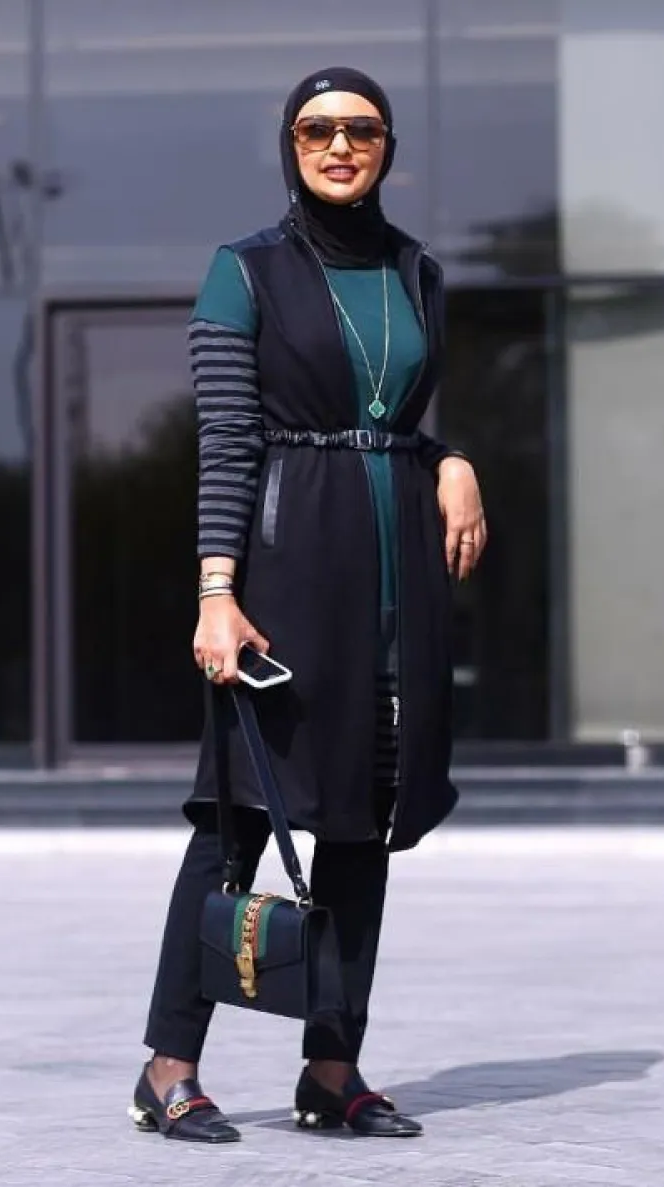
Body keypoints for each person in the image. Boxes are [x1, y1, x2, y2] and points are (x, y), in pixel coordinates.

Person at [130, 67, 487, 1144]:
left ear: (388, 148)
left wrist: (452, 458)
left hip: (393, 584)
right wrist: (217, 591)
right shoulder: (244, 271)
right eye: (316, 129)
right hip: (285, 580)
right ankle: (168, 1066)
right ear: (290, 146)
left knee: (364, 824)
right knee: (238, 820)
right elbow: (227, 440)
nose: (340, 145)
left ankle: (334, 1068)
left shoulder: (417, 270)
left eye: (360, 129)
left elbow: (397, 413)